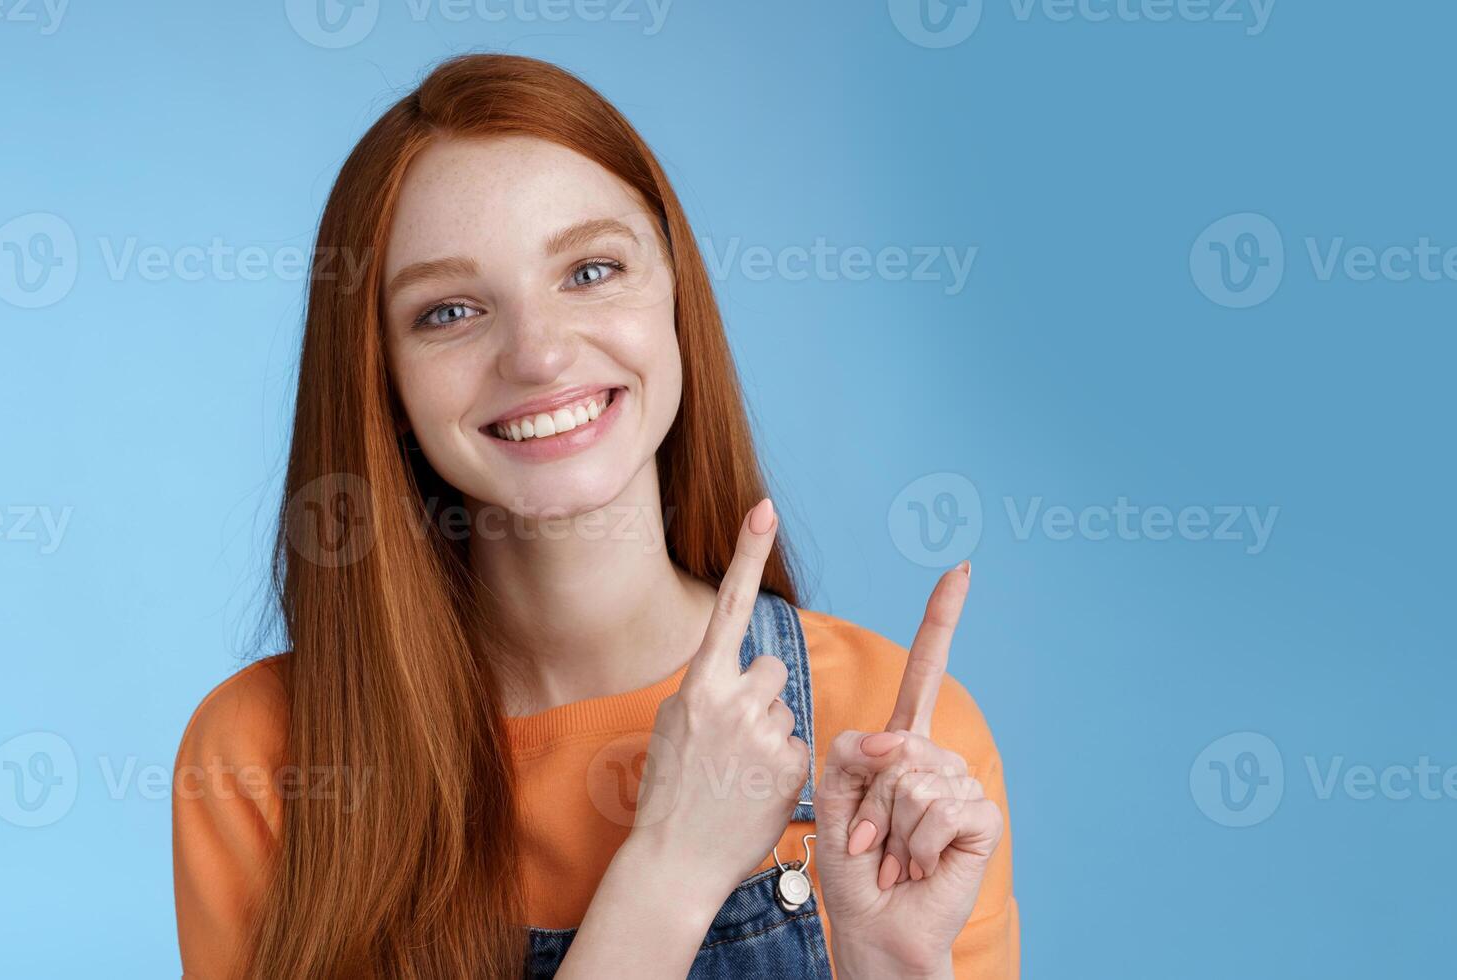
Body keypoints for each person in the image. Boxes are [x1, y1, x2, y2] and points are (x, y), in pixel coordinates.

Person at [173, 53, 1018, 979]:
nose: (536, 355)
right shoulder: (263, 760)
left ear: (675, 296)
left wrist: (892, 967)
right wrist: (670, 870)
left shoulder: (895, 731)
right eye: (449, 310)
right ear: (382, 379)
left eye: (590, 270)